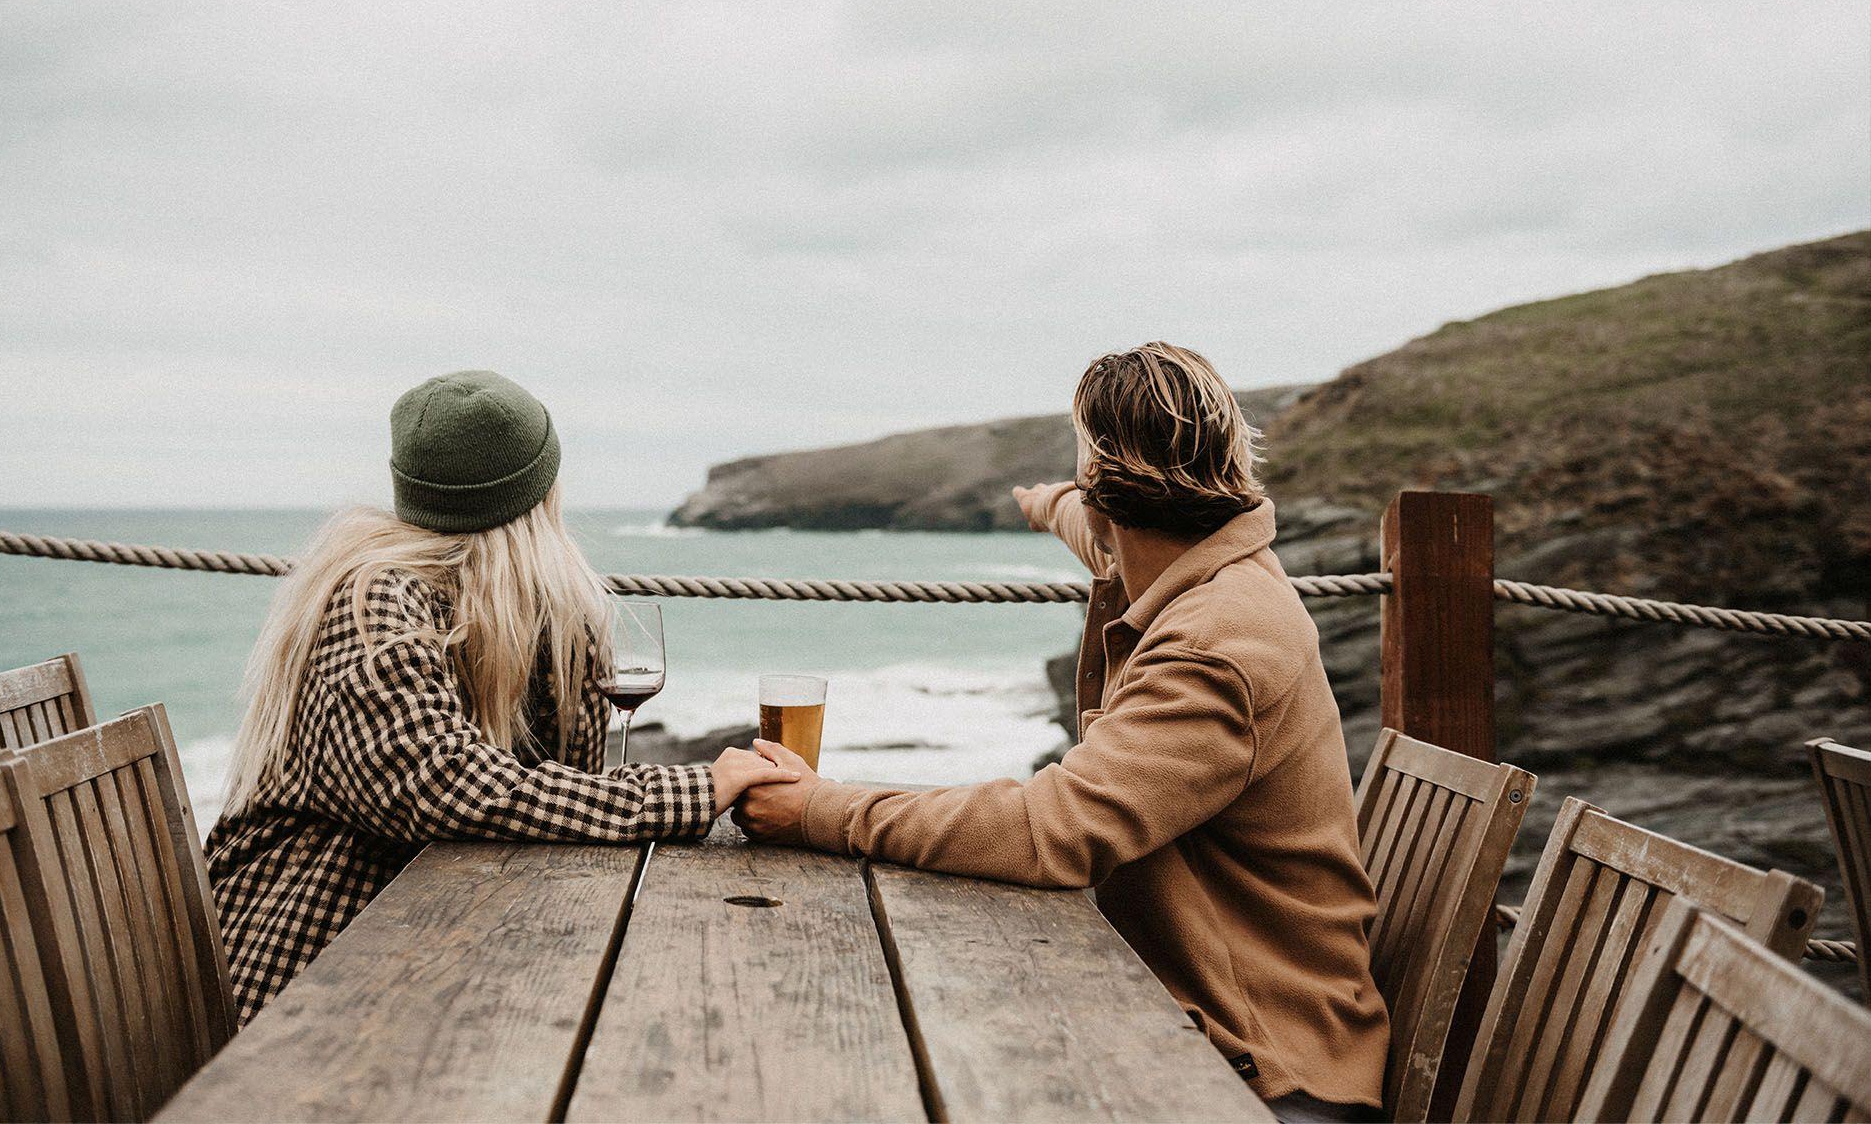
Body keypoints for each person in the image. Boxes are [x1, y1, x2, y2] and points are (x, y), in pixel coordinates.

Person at [738, 343, 1390, 1121]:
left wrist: (819, 808)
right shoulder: (1205, 562)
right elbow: (1091, 527)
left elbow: (1050, 829)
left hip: (1268, 1071)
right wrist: (1045, 500)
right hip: (1209, 1012)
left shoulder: (1217, 643)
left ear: (1109, 478)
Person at [206, 369, 795, 1020]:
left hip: (444, 950)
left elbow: (563, 794)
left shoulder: (548, 618)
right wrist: (690, 791)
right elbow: (443, 785)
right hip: (306, 972)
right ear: (542, 492)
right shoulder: (372, 599)